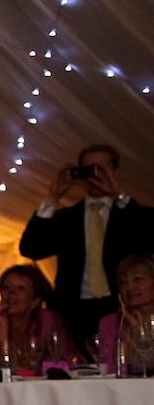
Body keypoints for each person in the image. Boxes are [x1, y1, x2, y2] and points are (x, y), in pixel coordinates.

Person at [19, 144, 154, 349]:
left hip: (123, 308)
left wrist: (119, 194)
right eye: (88, 168)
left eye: (102, 168)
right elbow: (31, 248)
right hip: (72, 312)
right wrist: (52, 198)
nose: (95, 174)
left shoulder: (131, 214)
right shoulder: (66, 219)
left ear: (115, 171)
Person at [0, 265, 80, 373]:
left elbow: (75, 361)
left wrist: (39, 369)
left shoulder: (47, 320)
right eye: (6, 287)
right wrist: (3, 329)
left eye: (20, 288)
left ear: (34, 301)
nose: (11, 292)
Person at [98, 255, 154, 370]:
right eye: (123, 282)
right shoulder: (110, 322)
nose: (129, 287)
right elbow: (110, 371)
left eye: (137, 279)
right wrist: (134, 329)